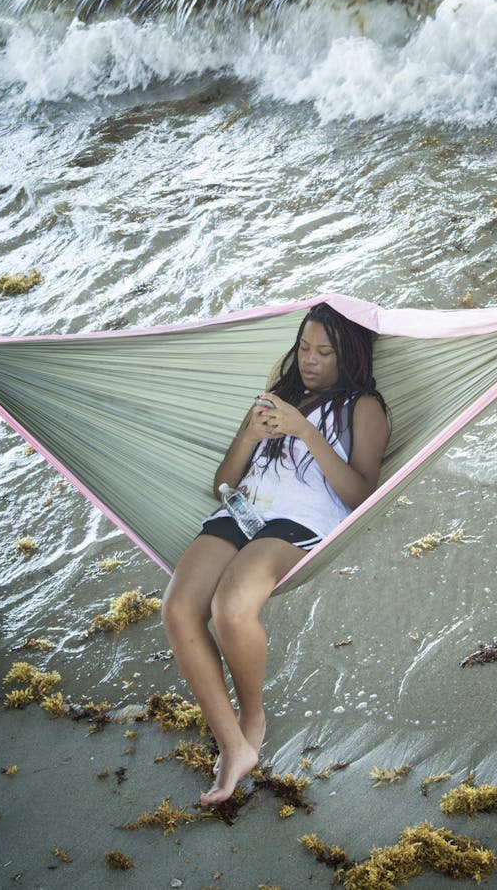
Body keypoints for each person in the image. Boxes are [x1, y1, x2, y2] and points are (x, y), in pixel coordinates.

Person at [161, 302, 390, 805]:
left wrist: (305, 431)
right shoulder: (276, 396)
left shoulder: (362, 407)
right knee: (178, 609)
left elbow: (360, 495)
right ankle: (233, 745)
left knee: (231, 607)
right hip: (242, 512)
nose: (310, 360)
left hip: (300, 521)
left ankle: (252, 718)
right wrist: (251, 433)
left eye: (324, 352)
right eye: (304, 348)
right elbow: (222, 482)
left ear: (347, 355)